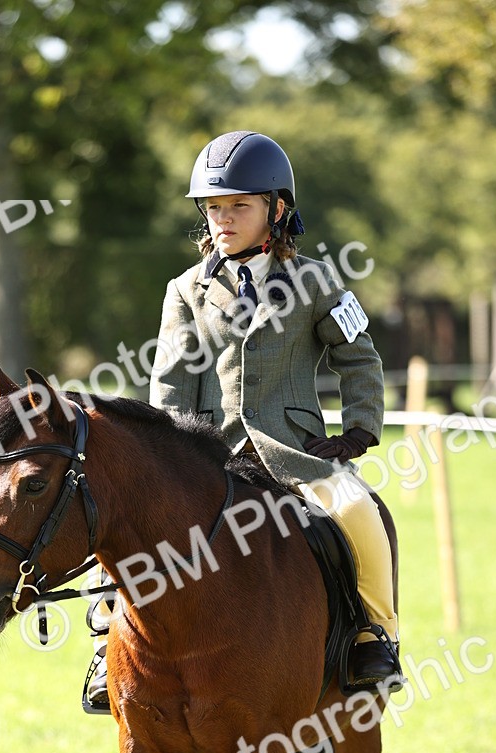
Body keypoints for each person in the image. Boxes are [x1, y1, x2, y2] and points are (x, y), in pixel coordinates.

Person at [84, 129, 402, 712]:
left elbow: (359, 355)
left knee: (359, 512)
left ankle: (373, 636)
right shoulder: (184, 289)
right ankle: (109, 645)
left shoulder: (318, 281)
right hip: (207, 454)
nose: (223, 219)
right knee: (126, 527)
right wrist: (164, 459)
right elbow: (172, 380)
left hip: (294, 450)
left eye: (238, 206)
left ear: (276, 210)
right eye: (213, 208)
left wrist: (359, 428)